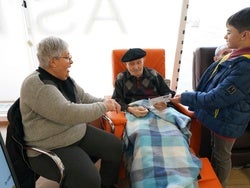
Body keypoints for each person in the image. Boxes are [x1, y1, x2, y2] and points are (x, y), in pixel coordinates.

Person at [171, 7, 250, 187]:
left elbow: (217, 98)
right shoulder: (235, 56)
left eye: (229, 32)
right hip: (222, 115)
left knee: (222, 156)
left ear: (245, 34)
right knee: (216, 153)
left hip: (229, 120)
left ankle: (219, 184)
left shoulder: (245, 68)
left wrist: (185, 97)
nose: (225, 36)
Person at [20, 36, 123, 188]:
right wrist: (104, 107)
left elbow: (83, 97)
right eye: (67, 57)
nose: (71, 62)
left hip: (74, 132)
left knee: (115, 147)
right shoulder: (38, 85)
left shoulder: (63, 78)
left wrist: (108, 102)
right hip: (50, 145)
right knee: (89, 179)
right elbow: (68, 113)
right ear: (53, 62)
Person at [112, 48, 201, 188]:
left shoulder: (153, 74)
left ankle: (178, 177)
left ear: (143, 61)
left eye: (138, 63)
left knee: (175, 135)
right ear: (126, 65)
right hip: (136, 113)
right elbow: (116, 100)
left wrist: (164, 102)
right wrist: (130, 109)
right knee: (144, 138)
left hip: (159, 111)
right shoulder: (121, 78)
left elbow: (168, 93)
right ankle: (150, 180)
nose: (135, 67)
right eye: (131, 64)